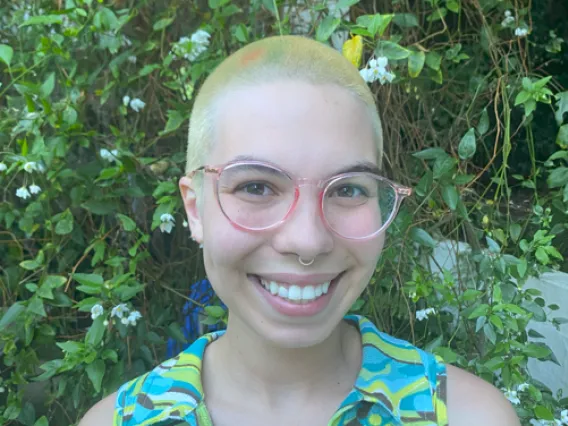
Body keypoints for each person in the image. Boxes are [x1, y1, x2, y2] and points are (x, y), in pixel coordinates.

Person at [80, 35, 520, 426]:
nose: (307, 240)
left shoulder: (464, 415)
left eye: (348, 189)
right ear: (195, 210)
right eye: (256, 186)